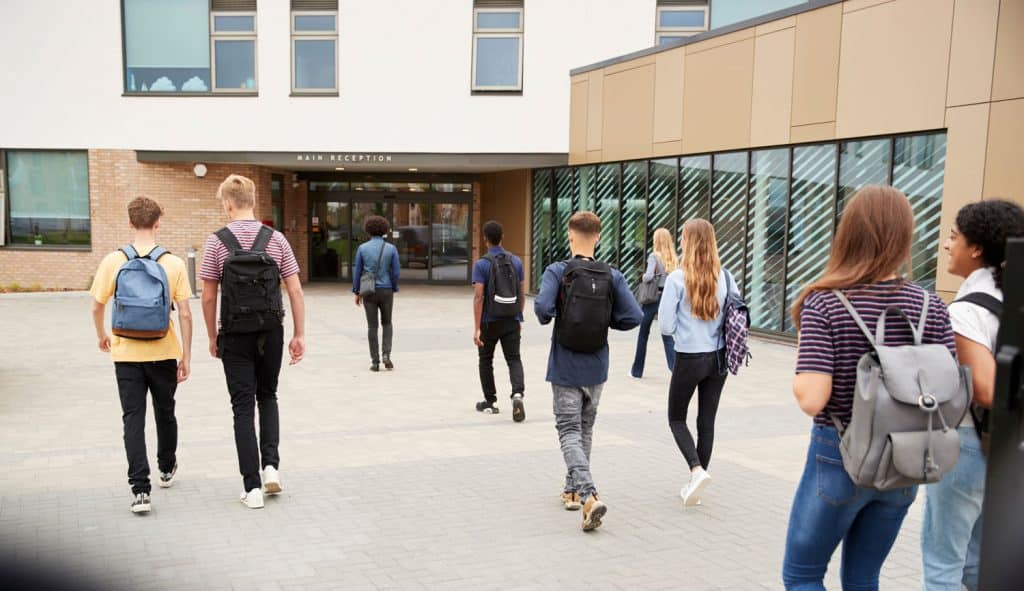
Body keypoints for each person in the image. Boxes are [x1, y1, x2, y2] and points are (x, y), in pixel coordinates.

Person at [782, 185, 957, 590]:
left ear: (849, 233)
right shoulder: (931, 306)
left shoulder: (825, 302)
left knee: (802, 577)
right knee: (864, 577)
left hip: (839, 454)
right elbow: (949, 394)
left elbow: (812, 398)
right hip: (907, 458)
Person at [921, 199, 1024, 590]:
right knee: (978, 564)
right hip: (1004, 448)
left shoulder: (966, 311)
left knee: (942, 564)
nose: (948, 246)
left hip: (967, 443)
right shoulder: (1010, 302)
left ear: (976, 248)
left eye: (953, 237)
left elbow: (984, 388)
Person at [200, 174, 305, 510]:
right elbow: (295, 289)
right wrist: (299, 334)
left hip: (234, 333)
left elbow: (207, 296)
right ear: (254, 202)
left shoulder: (217, 242)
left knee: (242, 407)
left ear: (227, 204)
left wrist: (211, 335)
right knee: (268, 394)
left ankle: (252, 487)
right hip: (271, 330)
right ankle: (271, 466)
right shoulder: (276, 240)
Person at [535, 211, 643, 531]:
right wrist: (605, 321)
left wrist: (555, 316)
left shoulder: (558, 270)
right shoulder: (613, 275)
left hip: (565, 365)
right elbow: (634, 316)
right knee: (585, 429)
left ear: (570, 235)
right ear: (598, 237)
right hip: (597, 366)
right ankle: (571, 491)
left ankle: (588, 494)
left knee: (568, 431)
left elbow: (542, 309)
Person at [89, 196, 193, 514]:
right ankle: (166, 466)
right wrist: (186, 356)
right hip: (163, 351)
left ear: (130, 223)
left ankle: (140, 491)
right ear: (158, 222)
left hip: (125, 353)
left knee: (133, 418)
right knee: (165, 411)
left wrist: (102, 336)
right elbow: (186, 314)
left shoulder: (112, 261)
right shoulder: (173, 263)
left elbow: (96, 305)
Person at [658, 219, 738, 507]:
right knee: (706, 421)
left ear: (688, 243)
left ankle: (696, 470)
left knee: (676, 418)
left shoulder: (677, 279)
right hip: (719, 358)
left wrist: (684, 329)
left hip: (689, 356)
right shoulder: (727, 277)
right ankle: (697, 483)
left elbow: (665, 326)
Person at [472, 220, 527, 421]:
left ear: (485, 239)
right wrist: (518, 317)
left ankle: (490, 401)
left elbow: (479, 296)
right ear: (502, 237)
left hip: (489, 321)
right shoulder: (517, 262)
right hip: (511, 320)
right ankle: (518, 394)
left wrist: (477, 328)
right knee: (514, 358)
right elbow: (521, 293)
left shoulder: (482, 264)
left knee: (486, 359)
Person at [353, 215, 401, 372]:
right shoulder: (391, 249)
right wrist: (394, 287)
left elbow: (357, 271)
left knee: (372, 326)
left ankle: (375, 361)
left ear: (368, 230)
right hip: (386, 289)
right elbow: (396, 272)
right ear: (384, 230)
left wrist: (357, 291)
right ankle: (386, 355)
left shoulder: (362, 248)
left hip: (369, 291)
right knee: (387, 323)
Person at [630, 227, 677, 378]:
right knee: (667, 334)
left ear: (656, 240)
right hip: (667, 297)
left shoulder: (653, 256)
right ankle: (675, 369)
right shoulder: (673, 258)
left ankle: (637, 371)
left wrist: (644, 276)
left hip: (652, 298)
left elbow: (649, 276)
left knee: (643, 333)